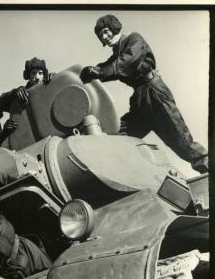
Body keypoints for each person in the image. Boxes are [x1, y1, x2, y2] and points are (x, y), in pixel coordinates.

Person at [80, 14, 208, 174]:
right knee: (117, 133)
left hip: (154, 92)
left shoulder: (134, 40)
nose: (105, 37)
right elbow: (107, 66)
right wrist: (84, 74)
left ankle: (210, 167)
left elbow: (126, 63)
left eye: (106, 32)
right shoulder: (115, 56)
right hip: (140, 99)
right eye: (101, 36)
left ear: (114, 27)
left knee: (180, 140)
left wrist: (99, 71)